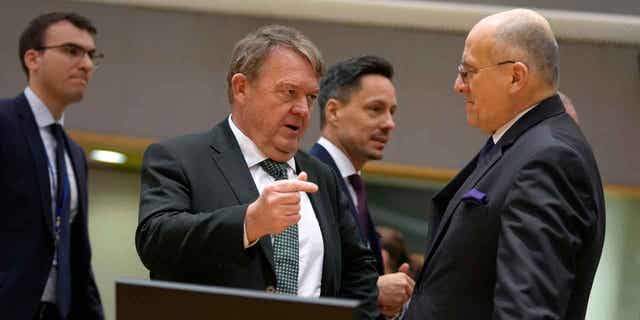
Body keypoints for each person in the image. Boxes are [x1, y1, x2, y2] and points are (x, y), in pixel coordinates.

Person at [136, 25, 379, 318]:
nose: (303, 109)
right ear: (241, 88)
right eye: (289, 92)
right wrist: (249, 222)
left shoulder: (321, 175)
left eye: (311, 97)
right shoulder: (179, 158)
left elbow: (359, 271)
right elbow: (154, 241)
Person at [405, 9, 605, 319]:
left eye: (468, 72)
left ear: (515, 77)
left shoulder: (549, 158)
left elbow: (527, 309)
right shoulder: (521, 146)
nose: (458, 85)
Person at [0, 12, 105, 320]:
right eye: (72, 51)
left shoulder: (74, 154)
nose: (86, 64)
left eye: (91, 55)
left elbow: (77, 256)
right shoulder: (2, 124)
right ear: (33, 59)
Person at [309, 55, 414, 317]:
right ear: (333, 112)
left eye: (392, 112)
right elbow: (301, 280)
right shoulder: (307, 180)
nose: (389, 123)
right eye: (375, 109)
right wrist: (374, 291)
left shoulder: (353, 183)